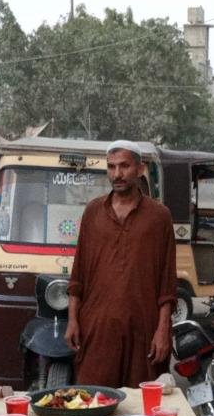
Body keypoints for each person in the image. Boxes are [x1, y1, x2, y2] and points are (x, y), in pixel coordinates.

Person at [65, 140, 177, 388]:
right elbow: (78, 274)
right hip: (97, 329)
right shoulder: (93, 212)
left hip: (143, 329)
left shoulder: (159, 217)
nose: (117, 174)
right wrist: (73, 319)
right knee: (94, 402)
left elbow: (167, 283)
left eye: (124, 166)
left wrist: (162, 330)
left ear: (139, 168)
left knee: (141, 409)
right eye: (111, 167)